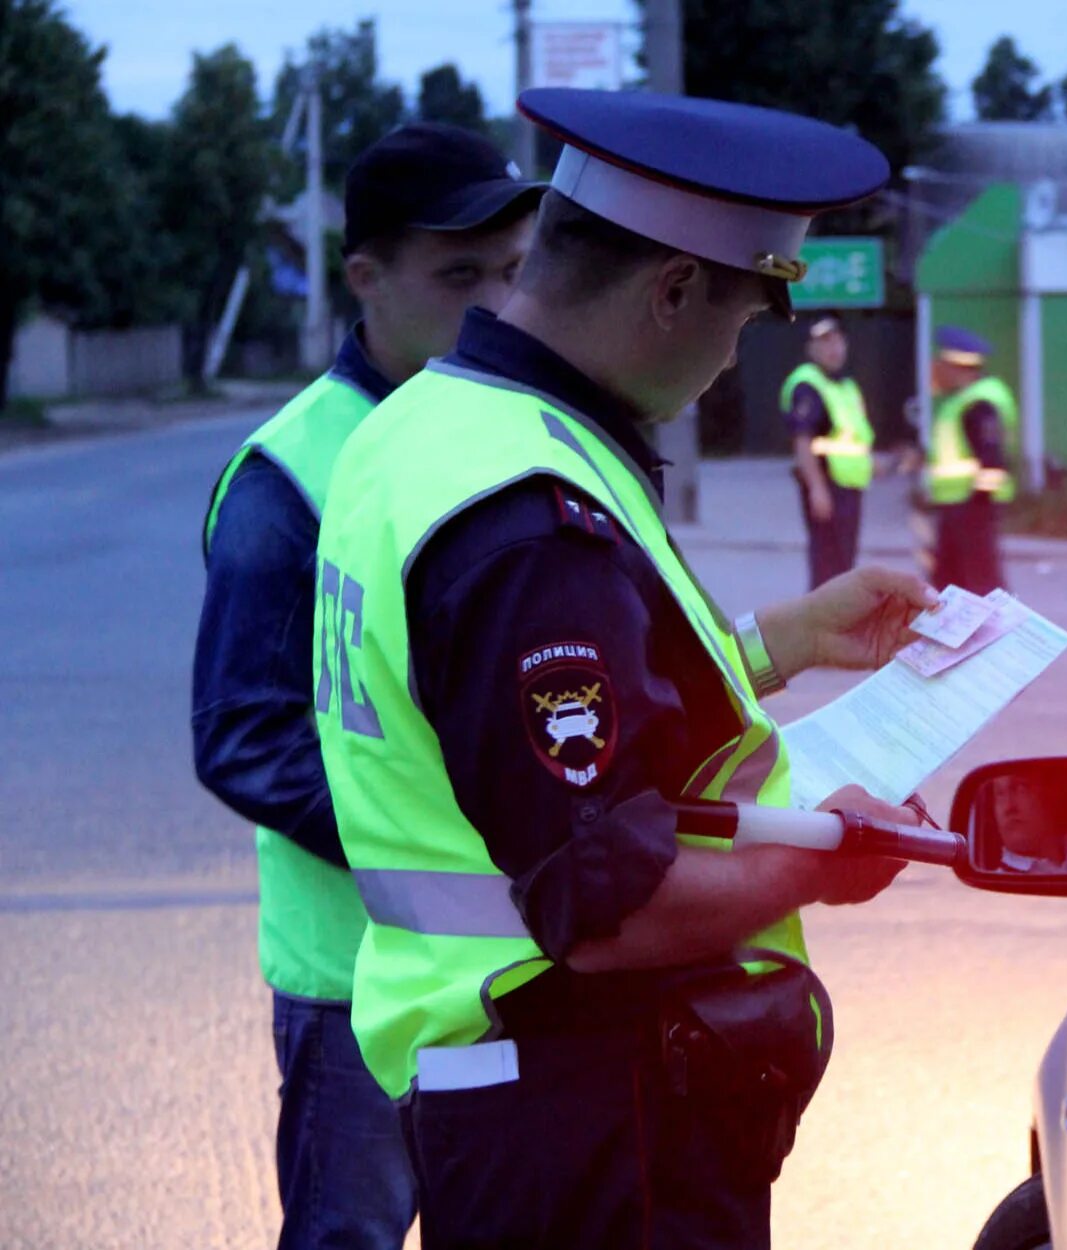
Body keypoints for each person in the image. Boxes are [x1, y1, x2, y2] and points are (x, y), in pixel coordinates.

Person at [311, 88, 933, 1249]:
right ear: (674, 290)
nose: (729, 356)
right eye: (745, 320)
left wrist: (784, 641)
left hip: (511, 1093)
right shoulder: (530, 516)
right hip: (591, 1114)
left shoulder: (423, 426)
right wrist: (824, 861)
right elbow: (607, 904)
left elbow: (518, 721)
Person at [190, 123, 543, 1250]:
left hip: (509, 970)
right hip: (354, 987)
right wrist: (445, 841)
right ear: (365, 277)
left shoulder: (505, 433)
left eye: (511, 270)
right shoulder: (291, 473)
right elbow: (242, 734)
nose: (492, 302)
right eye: (456, 276)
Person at [923, 327, 1019, 595]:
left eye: (942, 366)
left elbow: (992, 463)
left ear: (957, 367)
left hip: (970, 508)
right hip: (958, 507)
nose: (937, 372)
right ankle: (960, 636)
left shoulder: (980, 403)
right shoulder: (963, 401)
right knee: (953, 583)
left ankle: (1002, 636)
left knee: (981, 585)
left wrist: (977, 506)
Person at [783, 313, 874, 589]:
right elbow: (802, 441)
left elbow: (853, 441)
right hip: (827, 487)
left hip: (849, 487)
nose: (833, 348)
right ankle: (821, 627)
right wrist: (816, 489)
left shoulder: (846, 386)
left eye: (837, 341)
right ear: (811, 349)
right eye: (824, 342)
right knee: (827, 568)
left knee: (844, 565)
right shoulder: (808, 385)